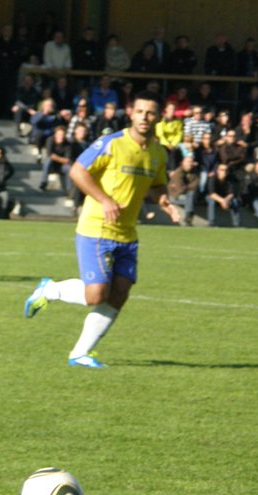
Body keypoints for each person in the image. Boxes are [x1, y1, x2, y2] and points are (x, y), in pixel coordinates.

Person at [23, 91, 180, 368]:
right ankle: (50, 289)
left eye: (150, 113)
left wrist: (165, 202)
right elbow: (78, 171)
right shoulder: (111, 143)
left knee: (119, 293)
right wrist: (105, 200)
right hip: (96, 228)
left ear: (159, 117)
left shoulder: (157, 153)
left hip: (127, 233)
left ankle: (80, 354)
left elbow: (157, 185)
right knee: (95, 295)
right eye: (140, 111)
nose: (144, 117)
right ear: (131, 113)